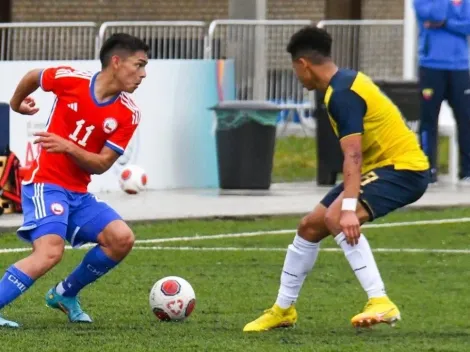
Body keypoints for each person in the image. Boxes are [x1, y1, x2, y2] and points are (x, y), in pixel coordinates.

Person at [243, 26, 430, 332]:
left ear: (303, 64)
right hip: (382, 167)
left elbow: (352, 156)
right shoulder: (343, 84)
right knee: (309, 226)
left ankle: (380, 300)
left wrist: (348, 209)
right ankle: (283, 310)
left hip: (403, 169)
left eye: (294, 69)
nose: (297, 76)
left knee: (336, 216)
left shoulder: (342, 94)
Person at [0, 33, 148, 328]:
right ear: (116, 62)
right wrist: (17, 105)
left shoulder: (128, 113)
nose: (143, 74)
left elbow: (103, 164)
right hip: (44, 183)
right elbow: (33, 76)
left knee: (121, 239)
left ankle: (64, 294)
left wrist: (68, 146)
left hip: (78, 193)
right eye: (139, 65)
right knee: (49, 252)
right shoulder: (72, 79)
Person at [414, 0, 470, 185]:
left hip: (460, 67)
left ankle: (467, 172)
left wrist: (446, 23)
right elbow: (434, 15)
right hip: (431, 66)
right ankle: (428, 171)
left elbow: (467, 25)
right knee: (429, 119)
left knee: (466, 118)